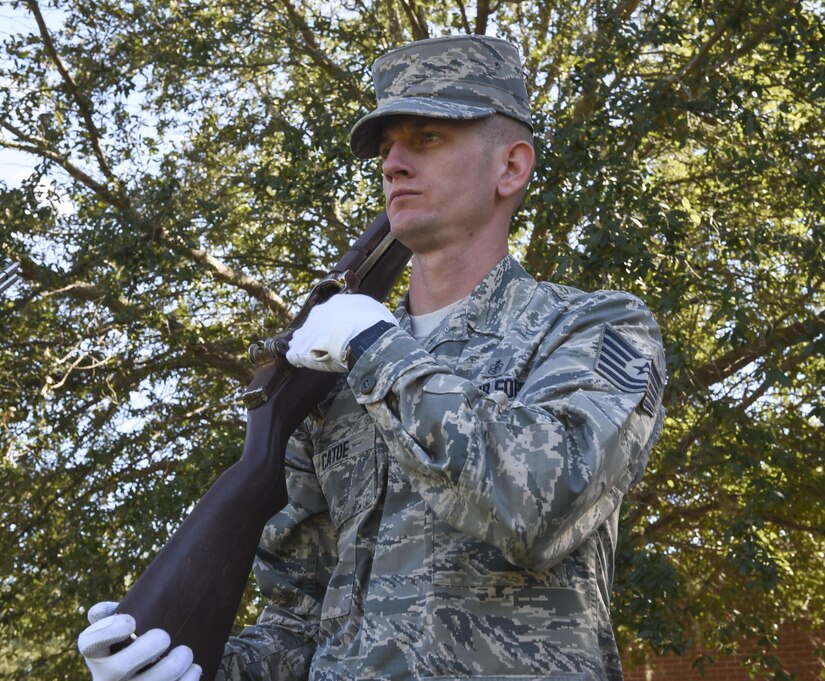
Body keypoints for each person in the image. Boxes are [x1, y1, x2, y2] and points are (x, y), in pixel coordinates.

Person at [78, 34, 666, 681]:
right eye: (387, 146)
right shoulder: (326, 385)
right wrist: (189, 665)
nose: (394, 163)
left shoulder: (598, 329)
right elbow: (300, 621)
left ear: (511, 166)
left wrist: (375, 350)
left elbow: (544, 506)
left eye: (428, 137)